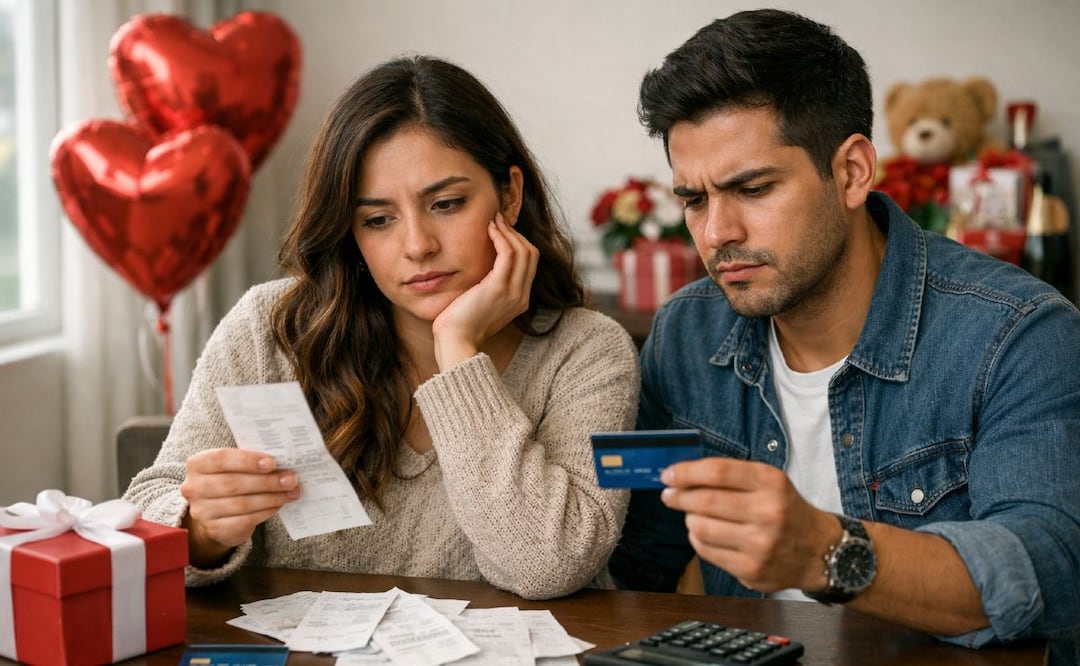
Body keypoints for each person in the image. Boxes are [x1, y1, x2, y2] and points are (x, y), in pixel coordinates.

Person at [608, 8, 1080, 662]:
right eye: (694, 199)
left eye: (752, 187)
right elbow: (641, 566)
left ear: (854, 172)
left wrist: (824, 550)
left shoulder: (1017, 334)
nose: (716, 233)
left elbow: (1051, 567)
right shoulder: (686, 333)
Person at [124, 55, 639, 600]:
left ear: (509, 195)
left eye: (446, 204)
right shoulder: (271, 328)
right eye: (377, 220)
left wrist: (458, 350)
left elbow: (547, 565)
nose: (417, 246)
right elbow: (150, 510)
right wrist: (201, 530)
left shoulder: (587, 351)